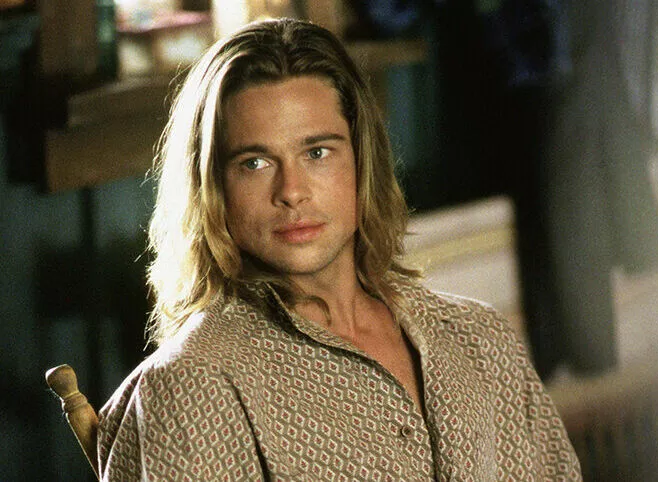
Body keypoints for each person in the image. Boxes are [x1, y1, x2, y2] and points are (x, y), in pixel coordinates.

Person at [97, 18, 581, 481]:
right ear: (213, 187)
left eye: (317, 153)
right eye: (255, 162)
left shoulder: (480, 339)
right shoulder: (194, 384)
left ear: (361, 160)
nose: (292, 191)